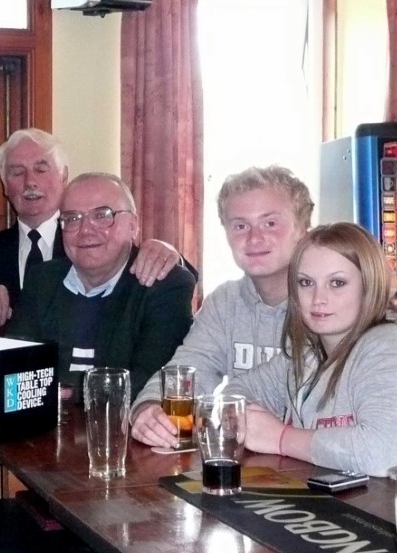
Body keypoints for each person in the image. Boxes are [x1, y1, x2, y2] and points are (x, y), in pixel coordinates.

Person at [227, 222, 397, 478]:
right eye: (305, 282)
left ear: (368, 285)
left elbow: (385, 454)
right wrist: (246, 419)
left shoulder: (390, 346)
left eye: (337, 283)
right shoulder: (310, 352)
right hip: (341, 509)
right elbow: (236, 395)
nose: (318, 298)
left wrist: (281, 438)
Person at [131, 165, 312, 448]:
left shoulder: (330, 303)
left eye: (270, 223)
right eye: (240, 225)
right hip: (246, 465)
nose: (253, 238)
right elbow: (191, 367)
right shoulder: (225, 302)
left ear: (302, 230)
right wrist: (149, 407)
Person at [0, 128, 186, 328]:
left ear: (64, 176)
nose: (30, 182)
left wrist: (169, 252)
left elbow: (165, 274)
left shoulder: (89, 241)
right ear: (4, 184)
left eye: (41, 169)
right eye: (17, 173)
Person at [4, 172, 195, 396]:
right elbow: (15, 367)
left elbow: (151, 381)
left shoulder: (163, 284)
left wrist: (68, 393)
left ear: (133, 225)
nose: (85, 230)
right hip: (43, 427)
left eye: (102, 215)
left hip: (123, 428)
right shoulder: (43, 280)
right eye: (72, 218)